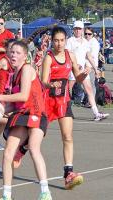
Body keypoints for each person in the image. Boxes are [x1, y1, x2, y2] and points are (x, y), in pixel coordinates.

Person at [0, 40, 52, 200]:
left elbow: (23, 95)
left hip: (36, 112)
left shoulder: (27, 69)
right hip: (21, 114)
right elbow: (14, 105)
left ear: (25, 56)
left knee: (34, 148)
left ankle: (45, 193)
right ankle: (6, 195)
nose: (13, 55)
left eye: (17, 53)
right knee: (8, 153)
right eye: (11, 52)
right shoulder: (13, 75)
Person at [42, 26, 89, 190]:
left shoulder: (71, 55)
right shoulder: (49, 57)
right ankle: (22, 148)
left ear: (66, 40)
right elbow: (43, 81)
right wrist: (50, 83)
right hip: (48, 100)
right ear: (52, 41)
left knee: (67, 136)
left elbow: (77, 77)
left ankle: (68, 173)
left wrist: (84, 74)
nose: (59, 43)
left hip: (63, 100)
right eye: (56, 40)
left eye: (62, 40)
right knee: (38, 137)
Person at [66, 21, 109, 121]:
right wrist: (75, 64)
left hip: (83, 71)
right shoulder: (70, 41)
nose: (77, 30)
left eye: (79, 29)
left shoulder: (85, 42)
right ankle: (65, 111)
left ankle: (96, 113)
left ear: (82, 30)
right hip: (72, 70)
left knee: (89, 90)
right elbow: (68, 55)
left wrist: (95, 68)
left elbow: (88, 55)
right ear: (73, 29)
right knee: (67, 91)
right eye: (76, 28)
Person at [84, 27, 100, 99]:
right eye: (86, 34)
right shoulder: (85, 41)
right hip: (86, 65)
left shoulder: (94, 43)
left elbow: (92, 56)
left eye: (89, 34)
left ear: (93, 34)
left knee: (91, 84)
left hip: (91, 66)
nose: (87, 35)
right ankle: (88, 100)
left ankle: (91, 101)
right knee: (86, 84)